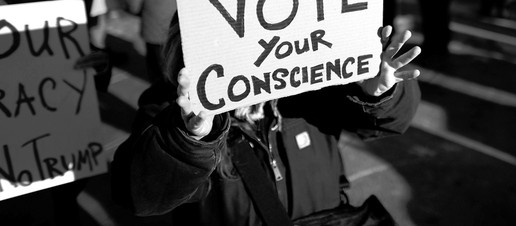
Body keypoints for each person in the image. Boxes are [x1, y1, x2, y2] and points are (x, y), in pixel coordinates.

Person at [110, 13, 421, 225]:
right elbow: (139, 196)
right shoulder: (174, 107)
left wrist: (377, 92)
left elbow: (393, 122)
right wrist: (190, 140)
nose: (251, 51)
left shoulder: (312, 89)